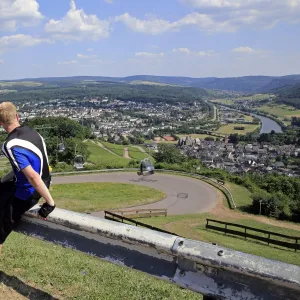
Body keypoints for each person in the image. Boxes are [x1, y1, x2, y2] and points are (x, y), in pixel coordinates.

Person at [0, 102, 56, 255]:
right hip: (44, 180)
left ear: (0, 123)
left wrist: (50, 204)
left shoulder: (10, 145)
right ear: (17, 116)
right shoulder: (33, 133)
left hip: (27, 192)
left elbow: (32, 177)